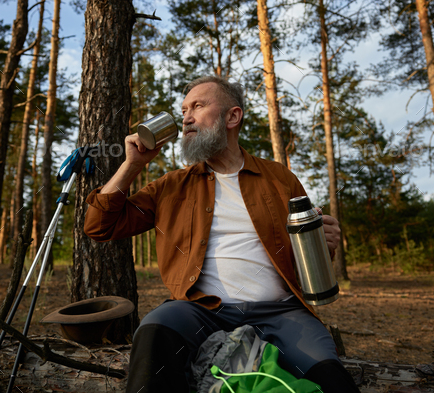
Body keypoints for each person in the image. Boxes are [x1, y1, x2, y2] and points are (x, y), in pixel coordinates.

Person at [83, 76, 360, 393]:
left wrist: (326, 245)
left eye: (198, 106)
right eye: (184, 109)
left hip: (282, 313)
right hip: (200, 310)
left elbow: (306, 255)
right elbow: (98, 226)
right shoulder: (171, 185)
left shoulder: (279, 178)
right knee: (155, 331)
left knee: (329, 377)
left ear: (233, 116)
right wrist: (132, 165)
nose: (186, 116)